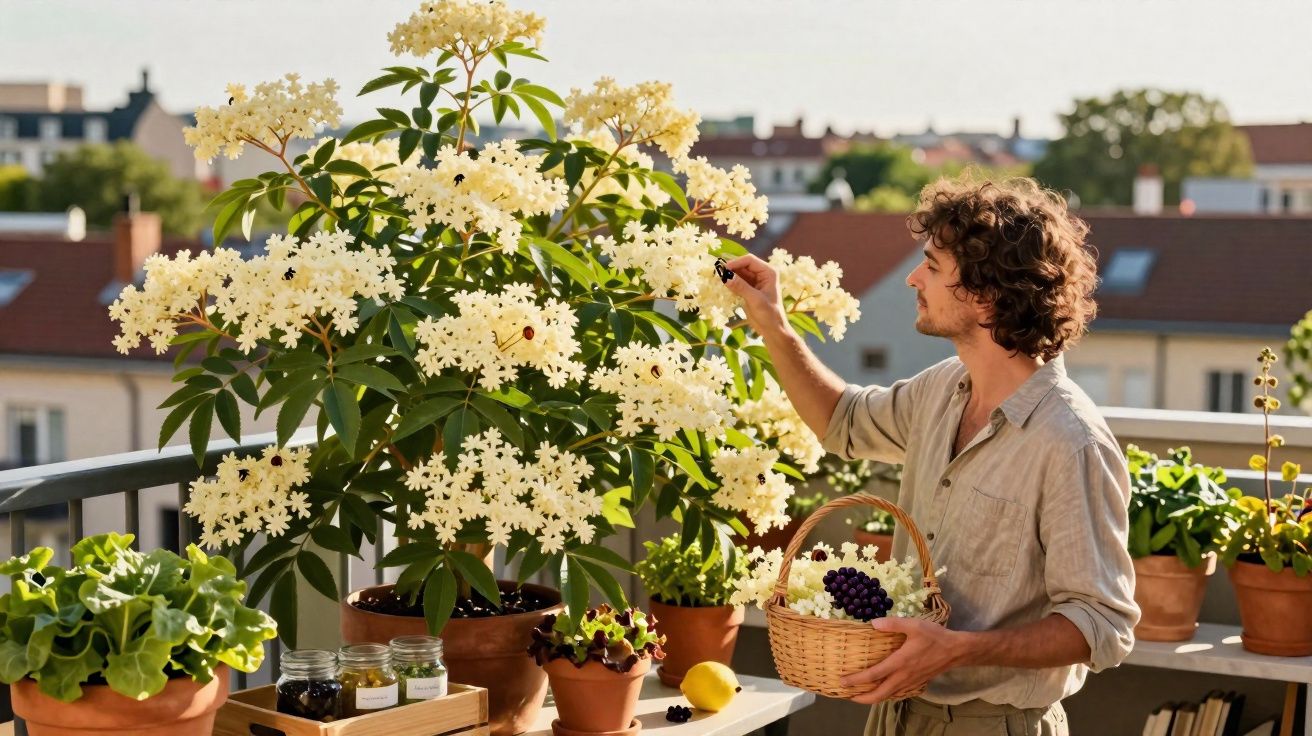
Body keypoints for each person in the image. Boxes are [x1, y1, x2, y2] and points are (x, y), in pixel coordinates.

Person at [721, 175, 1140, 735]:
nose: (914, 278)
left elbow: (1101, 624)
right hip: (897, 716)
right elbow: (843, 422)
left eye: (934, 267)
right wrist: (773, 323)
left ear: (988, 292)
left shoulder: (1071, 442)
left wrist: (956, 650)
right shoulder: (942, 389)